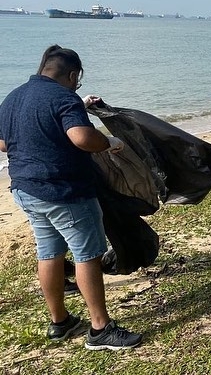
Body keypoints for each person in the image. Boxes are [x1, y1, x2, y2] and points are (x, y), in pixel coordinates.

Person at [0, 45, 142, 350]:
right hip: (65, 191)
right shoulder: (64, 97)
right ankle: (100, 329)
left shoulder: (13, 97)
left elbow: (2, 144)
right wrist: (110, 142)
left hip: (26, 189)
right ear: (73, 74)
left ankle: (60, 322)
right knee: (86, 255)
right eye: (77, 80)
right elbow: (82, 137)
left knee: (49, 253)